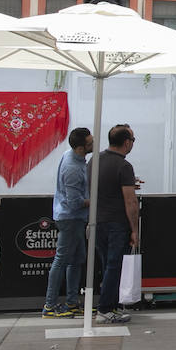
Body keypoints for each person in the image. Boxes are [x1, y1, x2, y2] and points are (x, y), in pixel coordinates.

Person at [43, 127, 91, 318]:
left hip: (75, 218)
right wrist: (97, 199)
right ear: (81, 147)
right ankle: (50, 305)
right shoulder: (72, 168)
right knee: (62, 259)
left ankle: (72, 302)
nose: (93, 144)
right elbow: (74, 203)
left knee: (76, 259)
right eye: (90, 142)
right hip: (70, 218)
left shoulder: (71, 155)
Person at [93, 125, 139, 324]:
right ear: (127, 142)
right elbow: (130, 201)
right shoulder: (124, 166)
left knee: (106, 265)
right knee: (114, 266)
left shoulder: (94, 161)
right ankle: (105, 309)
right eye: (133, 140)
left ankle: (108, 306)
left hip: (97, 221)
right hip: (116, 223)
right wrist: (135, 229)